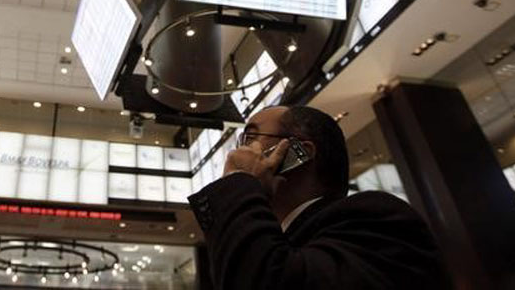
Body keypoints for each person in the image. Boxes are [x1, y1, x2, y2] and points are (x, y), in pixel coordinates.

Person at [188, 105, 447, 289]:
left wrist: (240, 184)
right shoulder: (272, 238)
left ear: (297, 152)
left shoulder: (376, 217)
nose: (238, 153)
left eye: (251, 137)